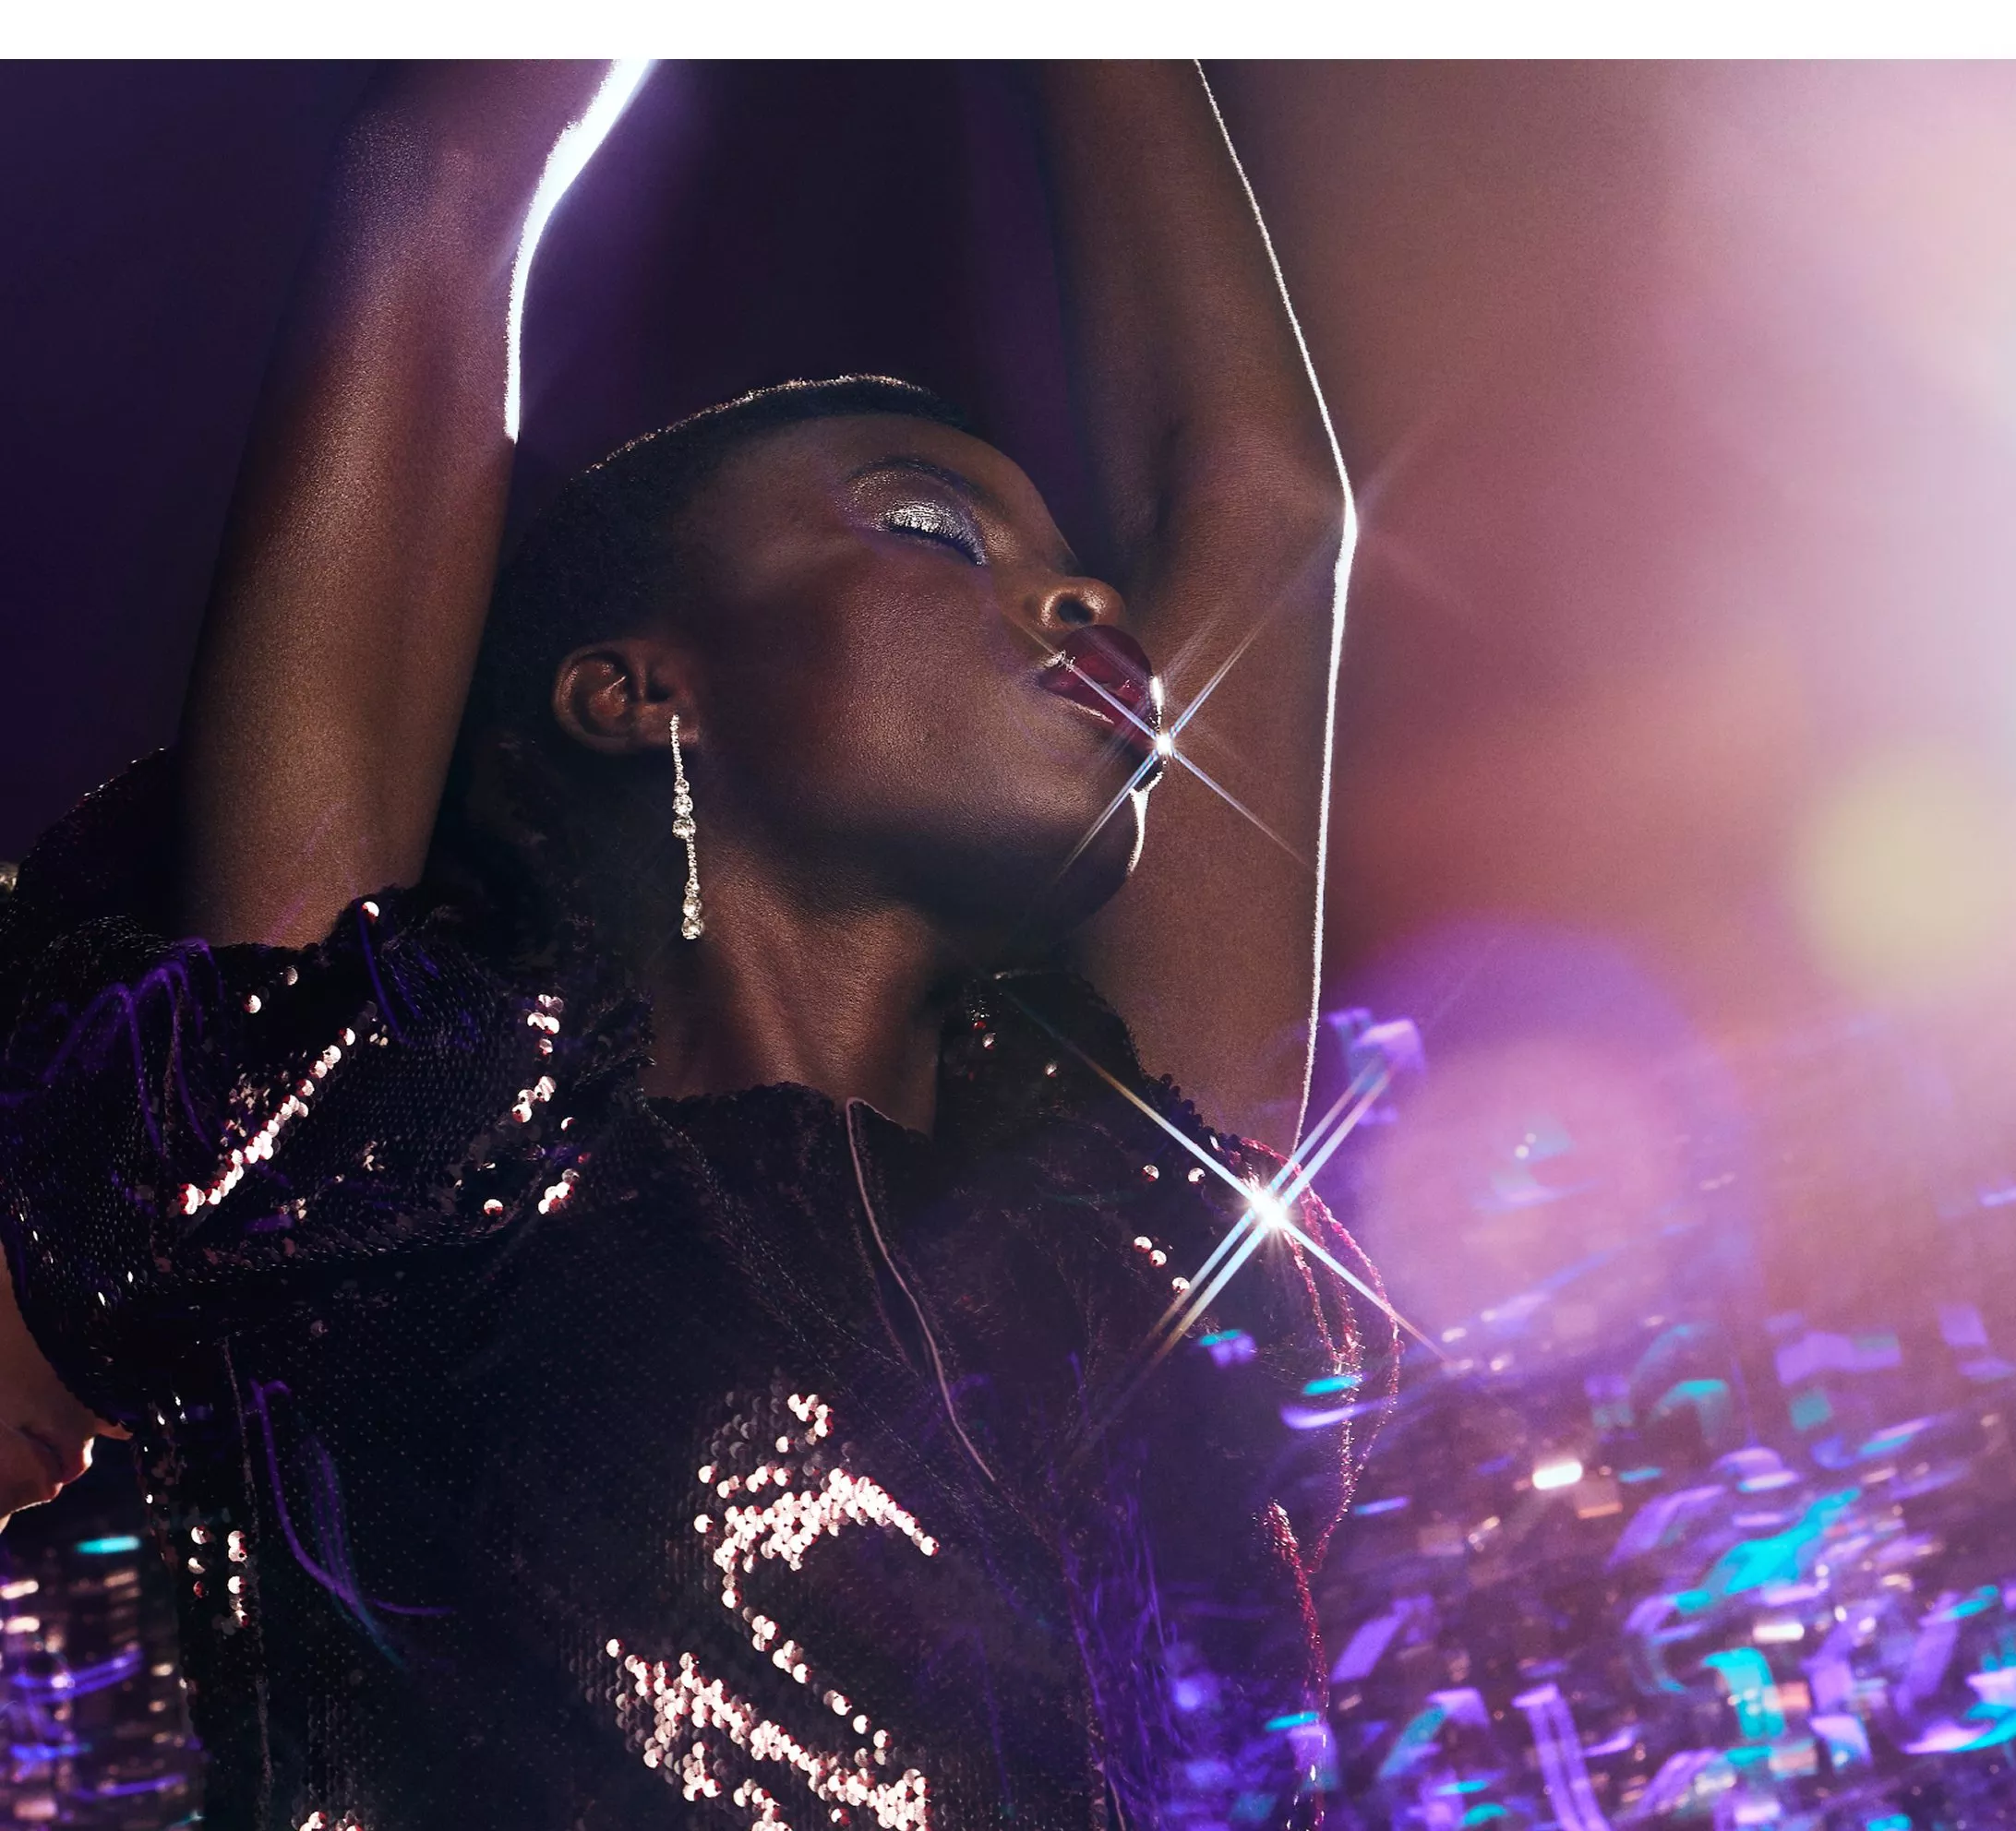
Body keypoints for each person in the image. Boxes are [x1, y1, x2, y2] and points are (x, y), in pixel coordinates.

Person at [0, 61, 1390, 1828]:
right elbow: (430, 179)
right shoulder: (370, 1149)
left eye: (1069, 559)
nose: (1086, 596)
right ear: (637, 689)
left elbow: (1266, 503)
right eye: (931, 527)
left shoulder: (1126, 1243)